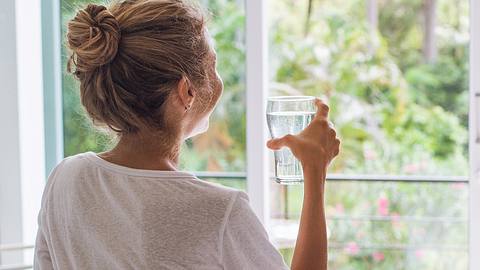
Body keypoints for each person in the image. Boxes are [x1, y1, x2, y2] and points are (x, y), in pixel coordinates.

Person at [34, 1, 340, 269]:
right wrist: (315, 170)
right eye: (213, 66)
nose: (218, 80)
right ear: (187, 91)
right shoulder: (219, 211)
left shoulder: (66, 178)